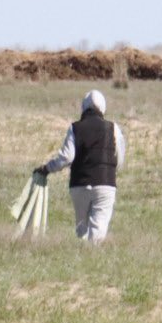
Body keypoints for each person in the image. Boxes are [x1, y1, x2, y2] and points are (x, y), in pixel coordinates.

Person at [34, 89, 126, 244]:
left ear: (83, 107)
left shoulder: (75, 128)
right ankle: (92, 261)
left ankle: (82, 257)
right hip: (105, 185)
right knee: (98, 230)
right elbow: (120, 158)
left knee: (82, 229)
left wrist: (47, 168)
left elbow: (66, 157)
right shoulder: (113, 128)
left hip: (79, 185)